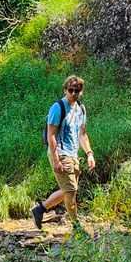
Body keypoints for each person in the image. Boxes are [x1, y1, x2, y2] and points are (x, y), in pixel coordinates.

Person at [31, 76, 96, 231]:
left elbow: (82, 134)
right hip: (60, 153)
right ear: (65, 90)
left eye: (77, 90)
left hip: (73, 154)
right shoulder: (57, 108)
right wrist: (56, 159)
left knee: (68, 190)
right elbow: (51, 135)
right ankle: (77, 227)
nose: (74, 93)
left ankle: (39, 210)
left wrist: (89, 153)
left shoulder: (81, 109)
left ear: (81, 92)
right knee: (71, 191)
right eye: (71, 90)